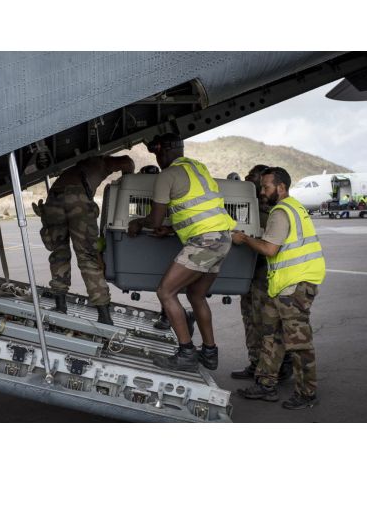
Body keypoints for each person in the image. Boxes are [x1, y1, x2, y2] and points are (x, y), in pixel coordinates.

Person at [128, 133, 236, 372]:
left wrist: (137, 222)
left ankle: (187, 352)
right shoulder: (198, 167)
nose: (157, 159)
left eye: (156, 153)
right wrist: (171, 228)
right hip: (222, 238)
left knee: (166, 292)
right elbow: (196, 207)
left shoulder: (167, 175)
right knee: (196, 295)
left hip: (205, 242)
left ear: (162, 152)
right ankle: (209, 353)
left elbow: (155, 217)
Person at [232, 167, 326, 409]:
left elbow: (268, 249)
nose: (262, 192)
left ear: (281, 187)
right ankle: (266, 384)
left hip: (295, 285)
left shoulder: (281, 212)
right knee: (271, 335)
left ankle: (307, 393)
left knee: (299, 343)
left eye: (266, 187)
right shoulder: (293, 206)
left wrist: (244, 239)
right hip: (284, 285)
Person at [35, 154, 134, 325]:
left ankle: (60, 306)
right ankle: (104, 315)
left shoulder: (74, 169)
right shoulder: (101, 162)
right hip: (77, 199)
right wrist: (128, 182)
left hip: (54, 200)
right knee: (88, 257)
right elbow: (127, 162)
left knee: (59, 253)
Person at [231, 165, 293, 381]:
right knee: (249, 318)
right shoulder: (249, 207)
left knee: (266, 324)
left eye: (256, 182)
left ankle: (279, 366)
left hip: (265, 275)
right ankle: (256, 362)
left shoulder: (274, 212)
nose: (256, 187)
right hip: (249, 273)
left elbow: (268, 245)